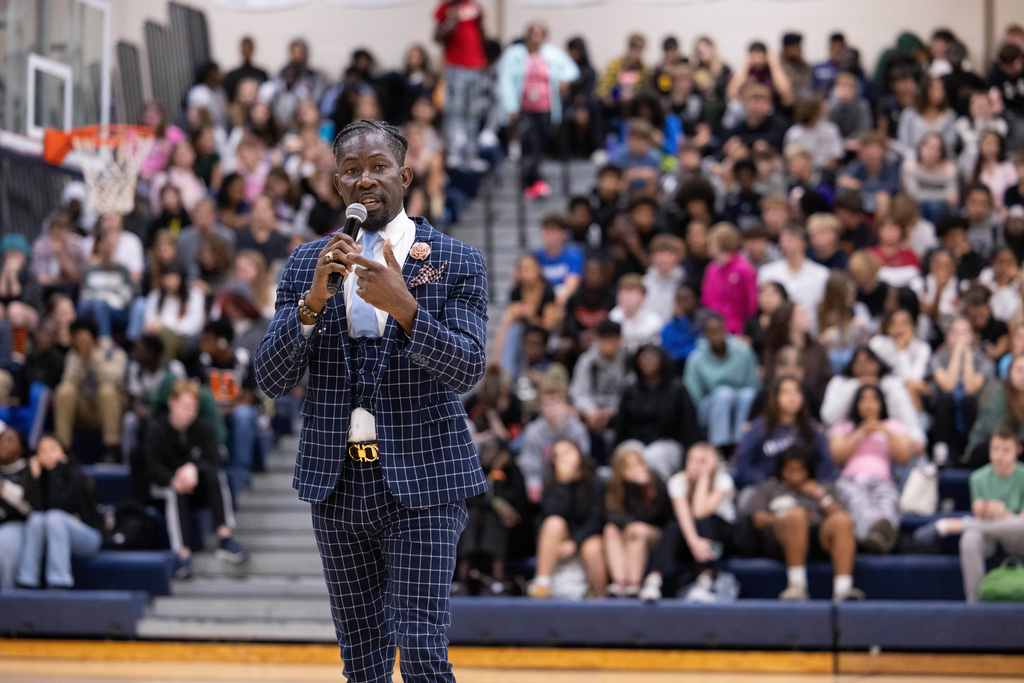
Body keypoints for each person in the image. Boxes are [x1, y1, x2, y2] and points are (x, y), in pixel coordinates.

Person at [254, 119, 489, 682]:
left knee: (422, 653)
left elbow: (467, 368)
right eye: (353, 171)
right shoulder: (307, 263)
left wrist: (407, 309)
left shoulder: (456, 261)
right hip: (337, 484)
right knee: (361, 664)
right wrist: (311, 305)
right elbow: (268, 378)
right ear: (337, 185)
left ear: (404, 176)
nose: (366, 180)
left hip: (427, 480)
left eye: (379, 167)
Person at [915, 426, 1024, 602]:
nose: (1000, 455)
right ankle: (974, 603)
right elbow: (977, 510)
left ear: (1018, 451)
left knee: (1019, 524)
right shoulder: (978, 477)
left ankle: (953, 525)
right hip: (988, 535)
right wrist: (981, 511)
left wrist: (1005, 514)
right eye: (995, 449)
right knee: (970, 538)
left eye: (1006, 450)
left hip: (1016, 539)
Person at [147, 378, 247, 570]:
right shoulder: (156, 430)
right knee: (173, 492)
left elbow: (213, 459)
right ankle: (181, 554)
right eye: (185, 406)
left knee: (217, 476)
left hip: (197, 487)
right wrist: (173, 479)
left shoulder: (204, 428)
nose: (189, 412)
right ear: (172, 403)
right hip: (167, 487)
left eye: (193, 407)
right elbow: (152, 466)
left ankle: (225, 537)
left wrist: (193, 468)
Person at [745, 445, 862, 602]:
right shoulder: (769, 488)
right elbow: (758, 519)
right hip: (782, 540)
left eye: (800, 470)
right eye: (790, 470)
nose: (795, 475)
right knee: (796, 516)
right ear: (780, 469)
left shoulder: (823, 487)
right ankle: (797, 586)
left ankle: (843, 590)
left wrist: (821, 495)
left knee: (841, 521)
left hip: (819, 538)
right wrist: (785, 518)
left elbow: (844, 517)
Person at [639, 442, 735, 602]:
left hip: (724, 538)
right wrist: (693, 542)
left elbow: (699, 511)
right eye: (692, 460)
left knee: (704, 522)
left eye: (702, 461)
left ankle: (706, 581)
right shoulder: (677, 481)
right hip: (695, 540)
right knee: (673, 527)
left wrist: (705, 476)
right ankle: (654, 580)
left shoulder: (723, 480)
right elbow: (684, 516)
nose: (696, 465)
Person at [496, 22, 580, 199]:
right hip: (525, 108)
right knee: (530, 141)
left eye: (540, 33)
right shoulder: (515, 54)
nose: (536, 37)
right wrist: (510, 106)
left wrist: (563, 80)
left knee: (541, 142)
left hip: (546, 107)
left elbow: (572, 70)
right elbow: (506, 81)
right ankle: (533, 181)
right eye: (533, 33)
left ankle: (535, 179)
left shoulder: (551, 54)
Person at [829, 385, 911, 554]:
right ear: (855, 404)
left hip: (883, 480)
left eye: (874, 399)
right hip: (850, 479)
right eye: (863, 399)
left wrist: (884, 430)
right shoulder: (844, 427)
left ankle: (877, 536)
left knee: (888, 503)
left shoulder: (893, 426)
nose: (869, 404)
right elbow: (836, 457)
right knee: (857, 503)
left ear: (881, 403)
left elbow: (904, 456)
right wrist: (861, 432)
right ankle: (872, 538)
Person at [16, 435, 102, 589]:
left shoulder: (76, 475)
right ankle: (27, 579)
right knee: (36, 519)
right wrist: (35, 477)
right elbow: (37, 508)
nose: (48, 454)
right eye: (42, 450)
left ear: (63, 452)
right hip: (55, 535)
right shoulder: (38, 477)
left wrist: (57, 470)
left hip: (88, 536)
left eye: (52, 449)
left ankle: (59, 581)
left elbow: (60, 505)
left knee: (54, 517)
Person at [528, 439, 606, 599]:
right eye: (558, 455)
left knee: (593, 548)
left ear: (579, 454)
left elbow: (596, 519)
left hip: (587, 535)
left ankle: (599, 598)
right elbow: (551, 513)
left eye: (568, 452)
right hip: (560, 535)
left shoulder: (596, 482)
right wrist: (564, 484)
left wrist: (575, 542)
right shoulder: (551, 484)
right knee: (554, 523)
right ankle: (542, 584)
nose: (563, 458)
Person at [614, 345, 701, 481]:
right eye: (643, 359)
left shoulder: (677, 389)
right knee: (627, 455)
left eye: (651, 358)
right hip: (637, 441)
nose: (647, 362)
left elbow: (688, 425)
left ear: (662, 360)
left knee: (653, 457)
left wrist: (688, 456)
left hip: (668, 442)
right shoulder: (630, 390)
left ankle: (659, 498)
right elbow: (622, 425)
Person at [735, 376, 833, 491]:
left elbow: (825, 462)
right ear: (774, 397)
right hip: (765, 489)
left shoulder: (813, 429)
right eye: (786, 392)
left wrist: (812, 482)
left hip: (806, 488)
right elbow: (743, 465)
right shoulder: (757, 428)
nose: (792, 397)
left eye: (797, 392)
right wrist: (764, 481)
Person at [53, 317, 127, 463]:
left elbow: (114, 379)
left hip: (110, 409)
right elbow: (68, 380)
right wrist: (81, 358)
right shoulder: (73, 355)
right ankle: (63, 449)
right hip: (83, 409)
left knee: (107, 390)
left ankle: (112, 449)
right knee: (65, 390)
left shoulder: (113, 351)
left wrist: (93, 355)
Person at [602, 443, 671, 598]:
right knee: (610, 530)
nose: (636, 469)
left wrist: (639, 488)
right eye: (629, 466)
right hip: (629, 531)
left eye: (638, 463)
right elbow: (611, 514)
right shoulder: (614, 487)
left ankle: (634, 585)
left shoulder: (657, 482)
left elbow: (656, 517)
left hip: (657, 534)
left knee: (637, 529)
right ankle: (620, 583)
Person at [684, 314, 760, 449]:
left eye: (718, 330)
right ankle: (718, 448)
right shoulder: (696, 358)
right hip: (711, 406)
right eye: (710, 332)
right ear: (704, 335)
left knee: (747, 395)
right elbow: (693, 395)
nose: (715, 336)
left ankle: (740, 447)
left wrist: (734, 398)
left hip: (740, 402)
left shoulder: (743, 352)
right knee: (723, 394)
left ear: (725, 330)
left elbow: (754, 384)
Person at [929, 317, 994, 466]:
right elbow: (948, 386)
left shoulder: (983, 360)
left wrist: (967, 357)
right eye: (955, 333)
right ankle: (940, 450)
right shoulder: (938, 358)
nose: (960, 338)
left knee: (969, 399)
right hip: (945, 418)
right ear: (947, 336)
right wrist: (957, 354)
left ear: (972, 336)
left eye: (964, 333)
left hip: (972, 414)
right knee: (946, 398)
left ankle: (971, 448)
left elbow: (970, 388)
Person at [518, 378, 591, 504]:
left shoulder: (578, 430)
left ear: (565, 404)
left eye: (556, 402)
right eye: (547, 404)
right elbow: (530, 465)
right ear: (540, 407)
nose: (552, 409)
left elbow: (584, 461)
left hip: (573, 484)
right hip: (545, 485)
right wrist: (533, 482)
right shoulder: (533, 432)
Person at [435, 0, 488, 168]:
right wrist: (451, 22)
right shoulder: (446, 8)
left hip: (476, 65)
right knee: (455, 110)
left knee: (473, 111)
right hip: (456, 65)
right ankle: (455, 152)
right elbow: (437, 37)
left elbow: (481, 32)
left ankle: (471, 154)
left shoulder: (475, 7)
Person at [569, 320, 629, 464]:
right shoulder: (587, 361)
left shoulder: (628, 360)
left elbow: (630, 394)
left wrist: (612, 412)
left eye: (612, 340)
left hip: (619, 414)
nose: (608, 345)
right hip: (592, 415)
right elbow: (579, 393)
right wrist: (591, 411)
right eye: (604, 340)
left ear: (620, 340)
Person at [757, 225, 830, 331]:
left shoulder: (822, 274)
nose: (786, 245)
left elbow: (824, 308)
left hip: (810, 332)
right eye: (783, 241)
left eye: (791, 240)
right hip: (777, 332)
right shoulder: (766, 272)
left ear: (803, 243)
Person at [966, 354, 1024, 469]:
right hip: (990, 443)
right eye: (1019, 370)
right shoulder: (998, 391)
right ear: (1010, 372)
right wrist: (1017, 443)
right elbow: (994, 426)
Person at [701, 223, 757, 335]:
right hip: (714, 329)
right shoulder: (711, 269)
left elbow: (751, 304)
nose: (708, 245)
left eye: (711, 242)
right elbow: (706, 299)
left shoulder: (744, 268)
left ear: (720, 243)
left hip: (738, 330)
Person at [0, 425, 29, 589]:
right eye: (1, 439)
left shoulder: (30, 469)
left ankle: (7, 599)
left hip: (19, 525)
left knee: (4, 542)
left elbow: (32, 506)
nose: (3, 443)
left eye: (10, 440)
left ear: (21, 447)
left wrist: (4, 488)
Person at [224, 36, 269, 102]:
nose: (247, 51)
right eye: (245, 48)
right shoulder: (232, 76)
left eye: (249, 48)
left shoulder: (261, 74)